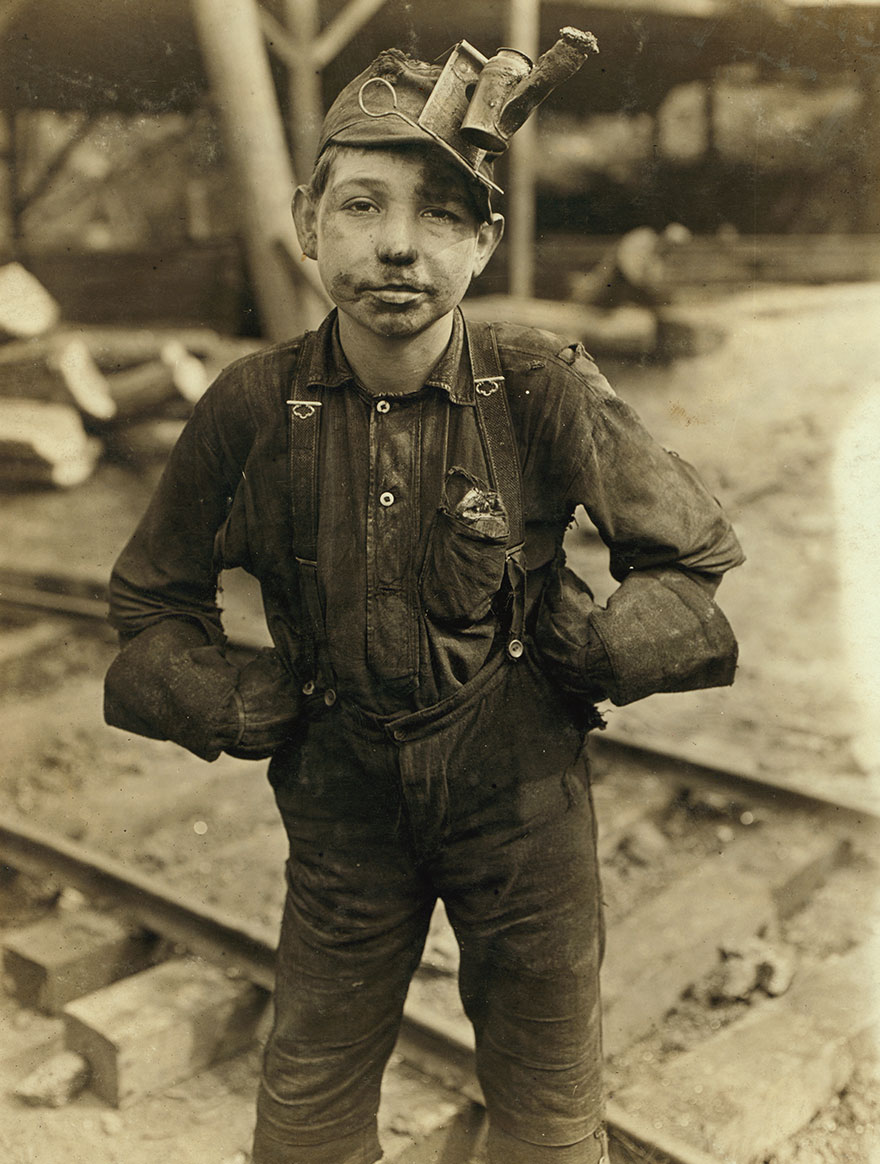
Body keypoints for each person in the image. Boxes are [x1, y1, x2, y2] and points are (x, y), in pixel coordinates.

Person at [104, 32, 744, 1164]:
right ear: (308, 224)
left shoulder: (540, 383)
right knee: (306, 1119)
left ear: (484, 240)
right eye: (361, 205)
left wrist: (603, 651)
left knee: (548, 1120)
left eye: (442, 214)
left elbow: (691, 562)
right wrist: (227, 699)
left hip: (523, 810)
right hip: (343, 816)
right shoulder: (249, 409)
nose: (398, 245)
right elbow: (151, 605)